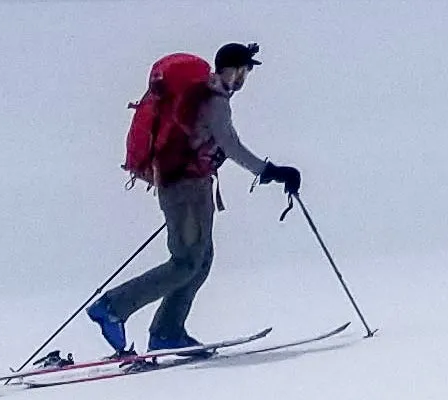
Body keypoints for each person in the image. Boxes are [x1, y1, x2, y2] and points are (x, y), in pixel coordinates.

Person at [92, 42, 301, 358]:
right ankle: (113, 307)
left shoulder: (206, 97)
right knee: (186, 261)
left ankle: (167, 332)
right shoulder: (214, 100)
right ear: (230, 70)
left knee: (200, 261)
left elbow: (213, 143)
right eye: (243, 71)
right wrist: (269, 171)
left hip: (191, 186)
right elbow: (231, 144)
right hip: (185, 190)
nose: (244, 78)